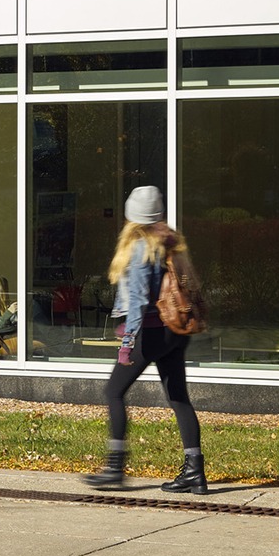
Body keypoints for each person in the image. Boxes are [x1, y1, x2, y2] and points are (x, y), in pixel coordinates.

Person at [84, 185, 206, 494]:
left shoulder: (140, 247)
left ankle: (114, 468)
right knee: (178, 398)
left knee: (113, 391)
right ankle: (195, 472)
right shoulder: (172, 242)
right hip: (175, 331)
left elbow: (138, 301)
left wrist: (127, 343)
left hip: (150, 333)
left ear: (132, 217)